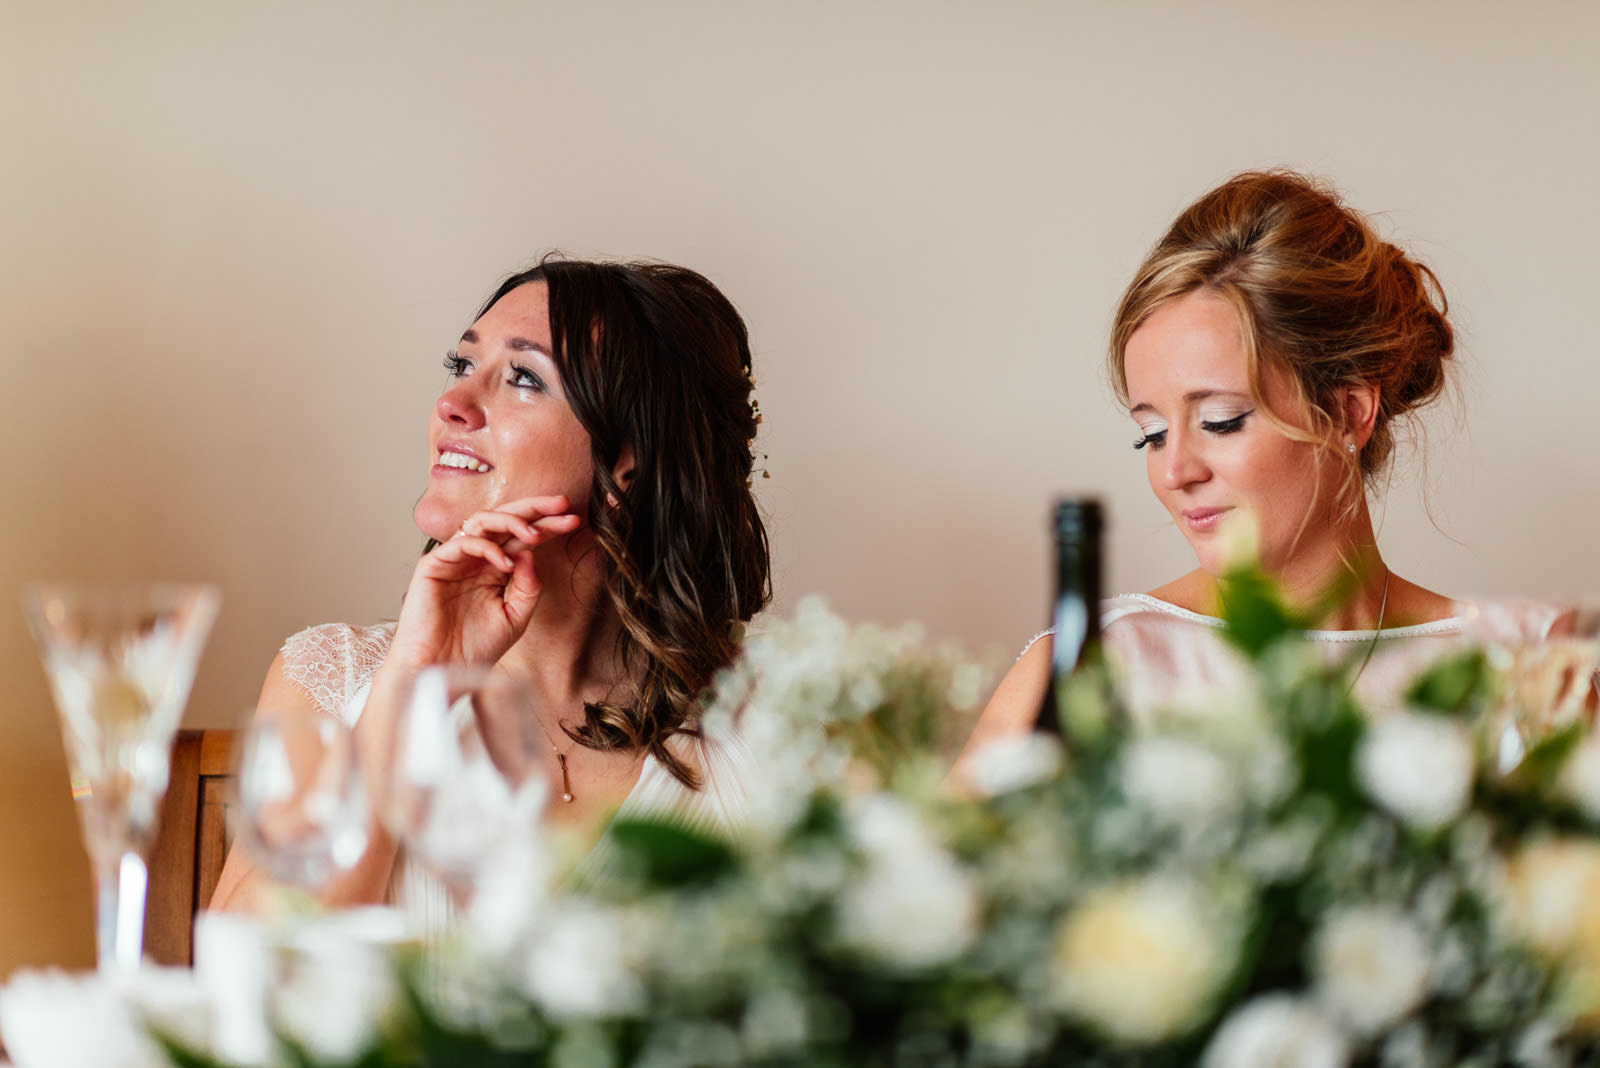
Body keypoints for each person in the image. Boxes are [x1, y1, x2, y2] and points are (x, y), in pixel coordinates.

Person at [210, 257, 771, 931]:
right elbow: (247, 974)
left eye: (524, 378)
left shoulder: (779, 710)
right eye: (462, 367)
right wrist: (413, 685)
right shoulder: (329, 678)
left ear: (630, 464)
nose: (453, 404)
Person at [958, 169, 1571, 765]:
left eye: (1220, 421)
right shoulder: (1093, 668)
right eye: (1151, 434)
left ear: (1348, 412)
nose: (1175, 471)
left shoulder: (1522, 675)